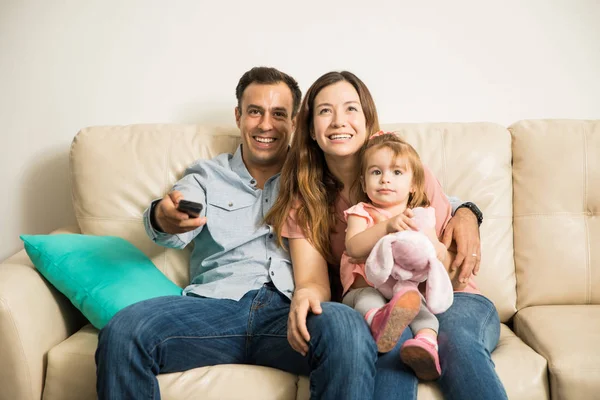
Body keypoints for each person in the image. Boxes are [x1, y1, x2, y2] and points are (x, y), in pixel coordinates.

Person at [94, 67, 378, 400]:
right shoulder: (207, 174)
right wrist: (164, 216)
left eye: (279, 114)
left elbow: (408, 196)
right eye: (255, 112)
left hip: (289, 312)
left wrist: (459, 211)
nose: (266, 124)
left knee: (346, 326)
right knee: (124, 330)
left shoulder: (315, 174)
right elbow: (171, 217)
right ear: (238, 116)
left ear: (295, 121)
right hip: (215, 309)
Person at [267, 70, 508, 399]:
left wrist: (465, 215)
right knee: (387, 347)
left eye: (351, 108)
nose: (339, 121)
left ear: (368, 119)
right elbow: (314, 280)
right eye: (325, 111)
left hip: (453, 298)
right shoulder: (305, 197)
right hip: (381, 304)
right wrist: (303, 296)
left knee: (456, 344)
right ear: (310, 128)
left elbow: (452, 266)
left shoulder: (404, 168)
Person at [342, 131, 456, 381]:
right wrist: (386, 226)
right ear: (363, 183)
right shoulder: (361, 212)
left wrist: (437, 250)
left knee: (424, 312)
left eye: (396, 173)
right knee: (367, 300)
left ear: (414, 184)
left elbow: (434, 248)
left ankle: (426, 345)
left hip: (404, 292)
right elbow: (353, 247)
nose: (385, 180)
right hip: (365, 287)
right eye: (376, 172)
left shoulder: (420, 216)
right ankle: (379, 320)